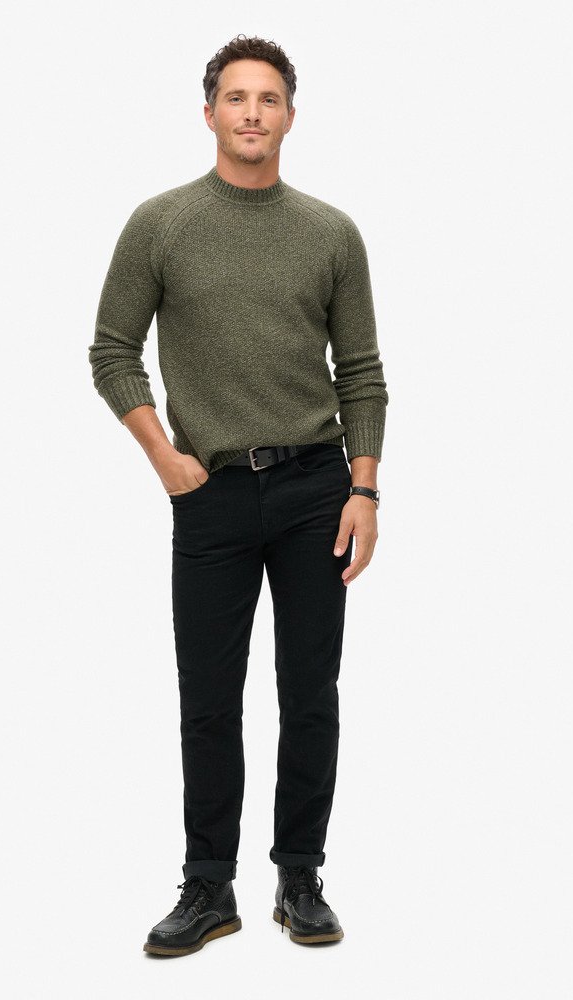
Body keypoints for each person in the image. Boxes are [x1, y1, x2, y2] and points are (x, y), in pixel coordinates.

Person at [88, 34, 388, 956]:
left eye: (268, 99)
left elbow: (361, 373)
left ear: (290, 116)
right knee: (209, 698)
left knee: (311, 692)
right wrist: (164, 458)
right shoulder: (162, 224)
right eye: (236, 97)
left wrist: (365, 490)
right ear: (209, 111)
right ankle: (208, 884)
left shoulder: (331, 233)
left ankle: (300, 878)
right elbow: (111, 350)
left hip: (316, 489)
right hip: (211, 494)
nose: (252, 113)